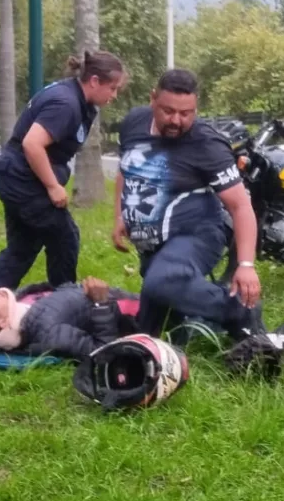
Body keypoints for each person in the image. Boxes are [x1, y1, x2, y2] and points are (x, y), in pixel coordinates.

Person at [111, 68, 263, 338]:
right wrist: (120, 215)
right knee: (147, 334)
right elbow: (126, 170)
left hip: (198, 234)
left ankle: (239, 308)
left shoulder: (206, 144)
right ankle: (194, 319)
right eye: (168, 111)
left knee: (162, 281)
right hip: (153, 246)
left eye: (186, 113)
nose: (177, 121)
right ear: (153, 99)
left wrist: (246, 265)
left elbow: (240, 206)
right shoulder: (134, 123)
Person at [0, 50, 128, 292]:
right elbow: (32, 144)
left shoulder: (76, 99)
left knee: (22, 248)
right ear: (94, 81)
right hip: (21, 178)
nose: (114, 95)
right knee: (65, 238)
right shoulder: (67, 103)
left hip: (15, 175)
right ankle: (63, 302)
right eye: (112, 88)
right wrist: (53, 186)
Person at [0, 277, 139, 361]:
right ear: (3, 322)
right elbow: (102, 350)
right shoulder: (49, 334)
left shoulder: (22, 312)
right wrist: (101, 303)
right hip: (133, 310)